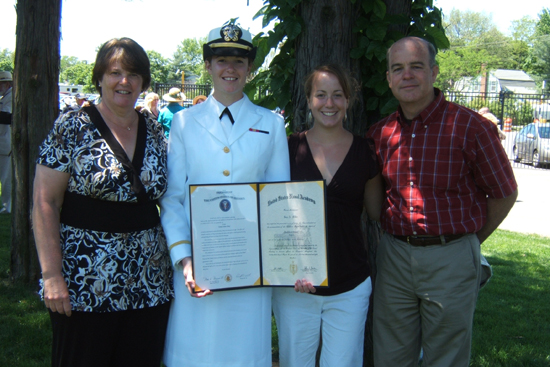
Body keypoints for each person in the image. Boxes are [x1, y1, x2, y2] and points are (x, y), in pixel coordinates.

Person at [366, 36, 518, 367]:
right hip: (393, 257)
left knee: (445, 358)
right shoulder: (381, 134)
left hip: (451, 257)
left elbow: (504, 193)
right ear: (389, 79)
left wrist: (468, 242)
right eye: (398, 68)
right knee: (390, 356)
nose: (407, 75)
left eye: (416, 66)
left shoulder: (471, 128)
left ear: (434, 72)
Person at [32, 37, 173, 367]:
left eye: (134, 74)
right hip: (85, 282)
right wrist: (52, 275)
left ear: (144, 82)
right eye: (115, 72)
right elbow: (45, 202)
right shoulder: (71, 127)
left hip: (148, 283)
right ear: (99, 78)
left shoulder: (154, 131)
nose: (124, 82)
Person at [159, 23, 290, 367]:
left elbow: (278, 201)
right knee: (195, 353)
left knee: (243, 354)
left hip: (250, 268)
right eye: (220, 60)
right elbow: (172, 197)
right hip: (198, 266)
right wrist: (184, 258)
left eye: (239, 60)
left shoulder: (272, 124)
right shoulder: (185, 122)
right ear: (207, 65)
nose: (230, 69)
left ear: (250, 67)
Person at [272, 64, 384, 367]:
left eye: (337, 95)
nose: (329, 103)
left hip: (350, 285)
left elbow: (375, 211)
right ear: (309, 100)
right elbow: (272, 217)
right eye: (321, 95)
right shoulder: (289, 148)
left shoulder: (365, 151)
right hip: (297, 286)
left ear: (348, 100)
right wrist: (285, 269)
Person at [0, 71, 12, 214]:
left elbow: (7, 117)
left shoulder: (11, 98)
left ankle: (7, 206)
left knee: (6, 177)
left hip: (5, 143)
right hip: (3, 143)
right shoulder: (6, 96)